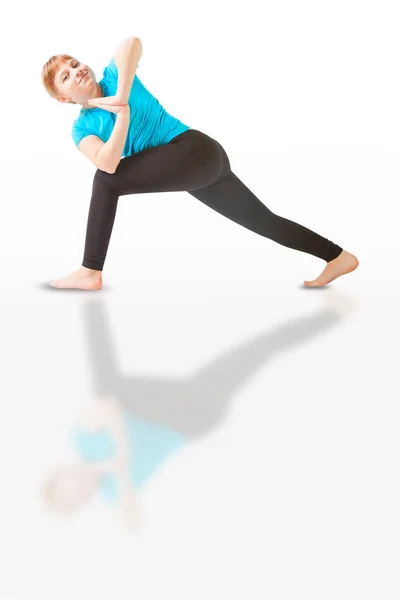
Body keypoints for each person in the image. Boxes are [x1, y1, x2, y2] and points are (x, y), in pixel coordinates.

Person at [41, 37, 358, 291]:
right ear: (63, 99)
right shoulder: (82, 128)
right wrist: (121, 115)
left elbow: (130, 43)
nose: (76, 69)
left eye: (74, 62)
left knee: (105, 183)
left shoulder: (114, 76)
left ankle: (89, 270)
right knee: (266, 222)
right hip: (194, 170)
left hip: (194, 150)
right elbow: (106, 162)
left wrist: (119, 96)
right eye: (66, 76)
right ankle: (338, 257)